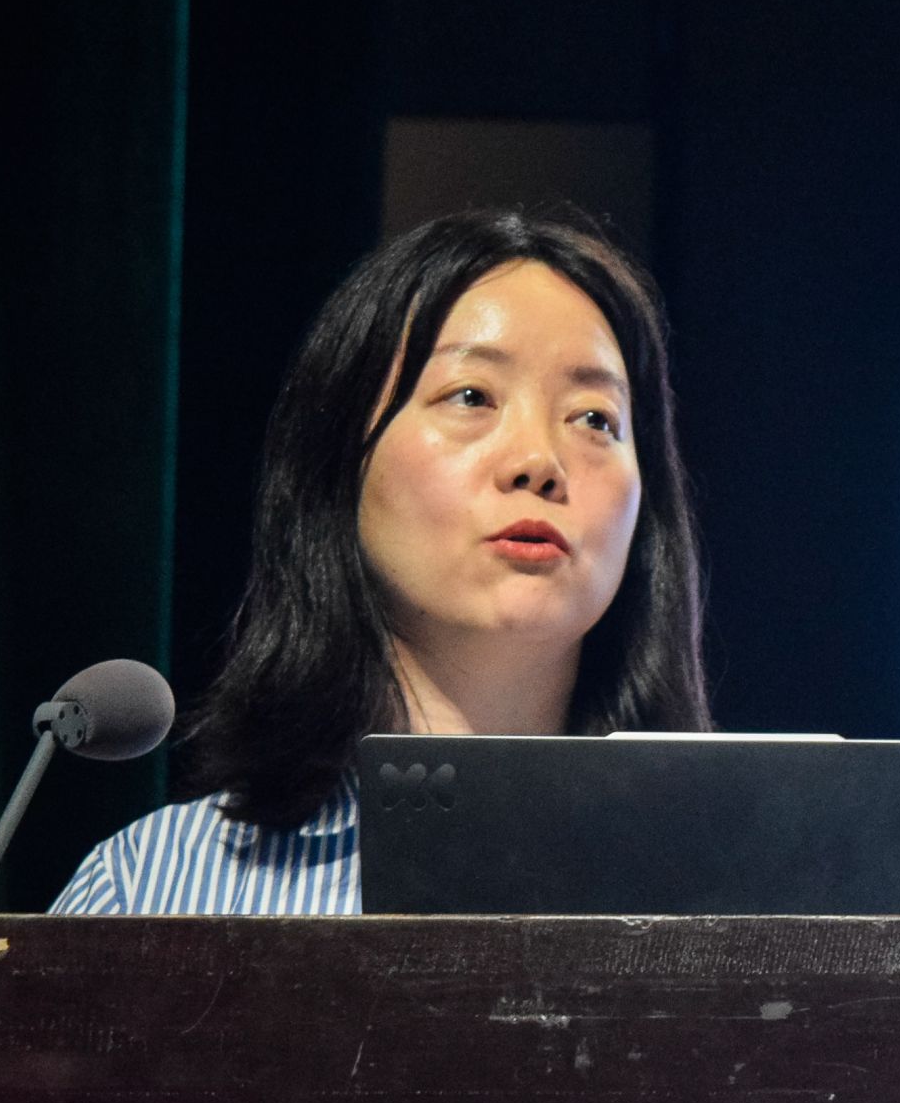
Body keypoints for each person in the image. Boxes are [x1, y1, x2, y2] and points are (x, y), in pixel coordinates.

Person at [52, 209, 712, 914]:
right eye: (471, 396)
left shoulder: (742, 889)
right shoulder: (147, 889)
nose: (538, 462)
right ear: (338, 468)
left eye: (594, 418)